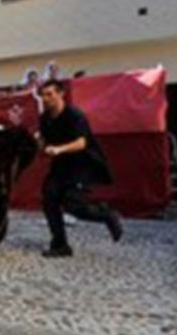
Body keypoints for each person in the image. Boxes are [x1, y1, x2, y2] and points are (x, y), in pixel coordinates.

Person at [37, 80, 123, 258]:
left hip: (80, 164)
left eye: (49, 94)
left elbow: (82, 143)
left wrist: (59, 149)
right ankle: (60, 245)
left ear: (61, 94)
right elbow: (44, 141)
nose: (45, 99)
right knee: (49, 199)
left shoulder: (74, 115)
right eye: (43, 95)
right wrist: (38, 145)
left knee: (74, 206)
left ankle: (107, 214)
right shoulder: (44, 118)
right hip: (60, 166)